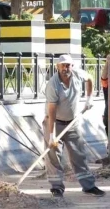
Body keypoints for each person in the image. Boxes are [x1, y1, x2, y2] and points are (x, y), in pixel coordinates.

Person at [44, 54, 105, 197]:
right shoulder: (52, 85)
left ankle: (88, 186)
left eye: (68, 65)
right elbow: (52, 111)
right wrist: (52, 136)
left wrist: (89, 99)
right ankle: (57, 187)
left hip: (72, 122)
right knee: (53, 155)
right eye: (62, 65)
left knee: (78, 154)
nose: (65, 68)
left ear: (72, 66)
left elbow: (90, 79)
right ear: (57, 67)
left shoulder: (77, 74)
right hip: (54, 122)